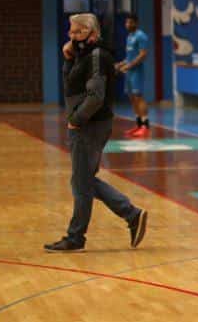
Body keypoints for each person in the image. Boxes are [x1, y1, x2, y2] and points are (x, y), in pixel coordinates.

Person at [45, 13, 148, 253]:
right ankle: (131, 214)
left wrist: (76, 120)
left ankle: (76, 237)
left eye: (77, 32)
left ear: (92, 33)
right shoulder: (84, 55)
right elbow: (71, 85)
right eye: (70, 31)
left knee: (82, 183)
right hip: (86, 124)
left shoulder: (97, 56)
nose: (72, 36)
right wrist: (68, 59)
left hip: (89, 125)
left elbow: (95, 96)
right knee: (82, 180)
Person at [115, 14, 150, 137]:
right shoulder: (129, 37)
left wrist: (129, 66)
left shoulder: (141, 36)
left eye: (130, 22)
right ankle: (138, 125)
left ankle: (145, 126)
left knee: (138, 97)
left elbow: (143, 55)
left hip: (137, 72)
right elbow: (129, 57)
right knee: (132, 98)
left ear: (136, 23)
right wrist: (121, 64)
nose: (127, 25)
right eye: (126, 23)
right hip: (129, 72)